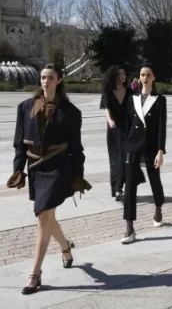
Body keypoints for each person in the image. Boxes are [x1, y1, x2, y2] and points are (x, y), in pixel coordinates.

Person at [8, 64, 87, 295]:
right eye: (43, 77)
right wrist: (17, 170)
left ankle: (35, 273)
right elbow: (18, 142)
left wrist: (78, 176)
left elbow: (76, 147)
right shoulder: (25, 107)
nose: (45, 81)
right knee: (47, 216)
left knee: (43, 214)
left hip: (58, 166)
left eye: (50, 78)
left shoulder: (71, 112)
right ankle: (65, 247)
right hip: (34, 167)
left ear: (59, 81)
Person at [120, 63, 167, 244]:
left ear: (153, 78)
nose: (145, 77)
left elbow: (162, 127)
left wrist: (160, 151)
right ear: (139, 78)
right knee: (130, 186)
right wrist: (124, 148)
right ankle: (129, 227)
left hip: (151, 147)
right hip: (132, 146)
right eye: (142, 74)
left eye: (148, 74)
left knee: (155, 180)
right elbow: (126, 126)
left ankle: (158, 207)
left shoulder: (160, 100)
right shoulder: (132, 99)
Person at [100, 66, 130, 201]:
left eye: (124, 73)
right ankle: (117, 189)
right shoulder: (108, 91)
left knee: (125, 159)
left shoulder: (130, 91)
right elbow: (106, 108)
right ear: (114, 76)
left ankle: (122, 187)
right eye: (120, 74)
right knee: (115, 159)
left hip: (127, 129)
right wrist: (110, 120)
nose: (123, 76)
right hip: (113, 129)